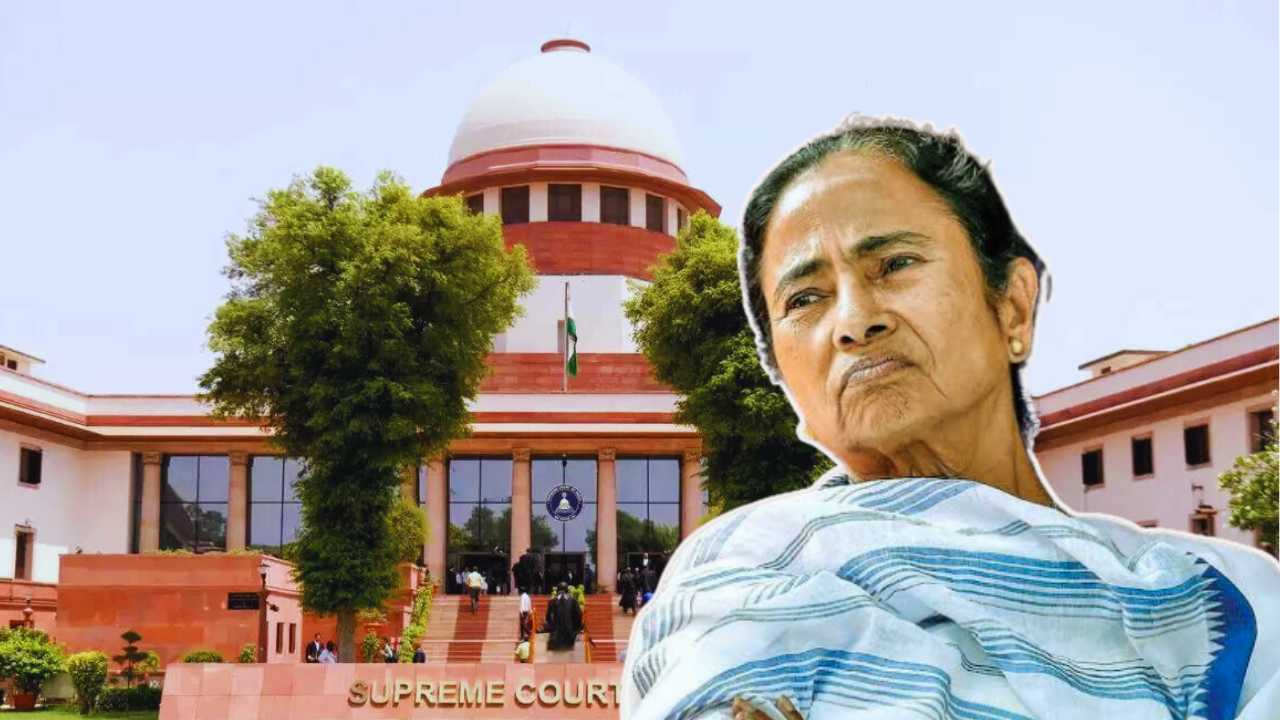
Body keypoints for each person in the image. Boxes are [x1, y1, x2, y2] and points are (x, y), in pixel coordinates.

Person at [620, 117, 1280, 720]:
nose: (853, 321)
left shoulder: (1230, 605)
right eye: (805, 298)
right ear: (786, 378)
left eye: (894, 264)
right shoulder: (734, 579)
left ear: (1013, 307)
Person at [543, 582, 581, 652]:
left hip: (556, 636)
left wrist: (552, 628)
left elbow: (548, 618)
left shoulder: (552, 602)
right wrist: (575, 630)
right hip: (569, 635)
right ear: (567, 591)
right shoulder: (573, 601)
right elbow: (578, 616)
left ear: (557, 591)